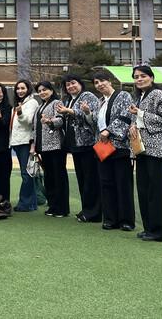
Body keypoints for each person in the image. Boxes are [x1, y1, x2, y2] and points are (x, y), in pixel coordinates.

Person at [129, 65, 162, 242]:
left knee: (156, 191)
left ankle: (160, 231)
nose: (139, 79)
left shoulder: (160, 95)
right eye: (136, 77)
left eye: (143, 76)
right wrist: (133, 125)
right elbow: (137, 120)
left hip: (156, 150)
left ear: (152, 77)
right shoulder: (140, 97)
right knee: (144, 190)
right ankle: (149, 228)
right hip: (142, 150)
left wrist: (140, 113)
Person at [89, 70, 135, 232]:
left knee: (123, 184)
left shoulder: (123, 95)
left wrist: (108, 131)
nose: (99, 85)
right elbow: (95, 122)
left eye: (102, 81)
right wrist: (88, 113)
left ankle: (126, 220)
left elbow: (126, 116)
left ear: (109, 81)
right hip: (103, 147)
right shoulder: (100, 101)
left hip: (119, 147)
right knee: (106, 183)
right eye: (96, 83)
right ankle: (110, 219)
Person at [56, 74, 101, 223]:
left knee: (90, 179)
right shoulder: (68, 100)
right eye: (67, 85)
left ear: (80, 83)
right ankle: (86, 209)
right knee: (82, 179)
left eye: (73, 83)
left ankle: (94, 212)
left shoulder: (88, 96)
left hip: (88, 144)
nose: (70, 86)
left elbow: (94, 117)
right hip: (75, 145)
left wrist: (70, 111)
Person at [32, 81, 68, 218]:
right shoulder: (40, 106)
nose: (42, 92)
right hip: (43, 147)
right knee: (49, 178)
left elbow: (60, 120)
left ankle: (62, 208)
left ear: (52, 90)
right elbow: (35, 127)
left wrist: (49, 121)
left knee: (59, 177)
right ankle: (53, 206)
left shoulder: (56, 103)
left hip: (56, 146)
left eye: (45, 89)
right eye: (40, 91)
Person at [9, 79, 40, 212]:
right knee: (27, 173)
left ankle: (25, 203)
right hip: (16, 142)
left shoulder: (32, 102)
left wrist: (20, 113)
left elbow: (29, 122)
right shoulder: (19, 103)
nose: (20, 91)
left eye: (23, 88)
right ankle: (32, 203)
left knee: (26, 174)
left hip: (25, 142)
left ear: (28, 89)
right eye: (18, 88)